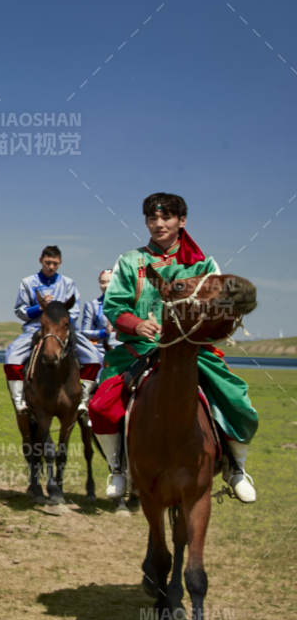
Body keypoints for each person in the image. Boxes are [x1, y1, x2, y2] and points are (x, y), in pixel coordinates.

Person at [91, 192, 259, 503]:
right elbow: (114, 306)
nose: (158, 224)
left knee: (237, 400)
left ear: (181, 221)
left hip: (193, 351)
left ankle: (237, 467)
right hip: (139, 350)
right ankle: (118, 467)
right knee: (101, 405)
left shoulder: (205, 264)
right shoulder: (130, 261)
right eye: (152, 218)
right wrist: (137, 324)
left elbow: (220, 306)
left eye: (166, 217)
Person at [2, 246, 103, 415]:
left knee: (94, 357)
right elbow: (20, 310)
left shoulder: (68, 283)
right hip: (36, 327)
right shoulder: (28, 283)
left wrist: (58, 316)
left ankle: (83, 398)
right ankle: (19, 401)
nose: (51, 267)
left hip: (63, 329)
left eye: (55, 264)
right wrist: (39, 308)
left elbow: (75, 311)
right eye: (48, 263)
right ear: (40, 260)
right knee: (11, 357)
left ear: (60, 263)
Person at [74, 269, 115, 416]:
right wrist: (105, 333)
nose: (106, 285)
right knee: (94, 364)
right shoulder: (92, 305)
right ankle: (85, 401)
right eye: (103, 282)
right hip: (99, 348)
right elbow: (84, 331)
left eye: (109, 281)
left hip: (121, 348)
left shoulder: (126, 304)